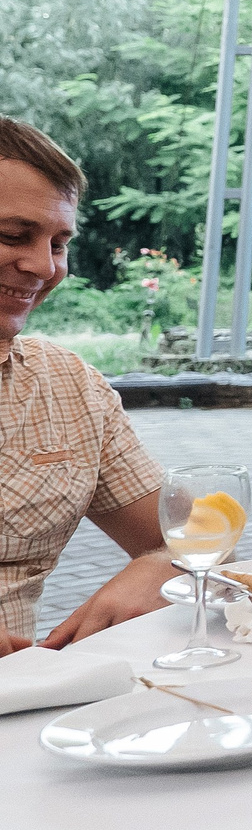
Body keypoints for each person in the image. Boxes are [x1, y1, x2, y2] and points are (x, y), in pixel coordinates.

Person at [0, 119, 182, 654]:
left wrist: (163, 568)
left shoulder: (69, 384)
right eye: (12, 235)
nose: (42, 266)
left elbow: (198, 541)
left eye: (59, 243)